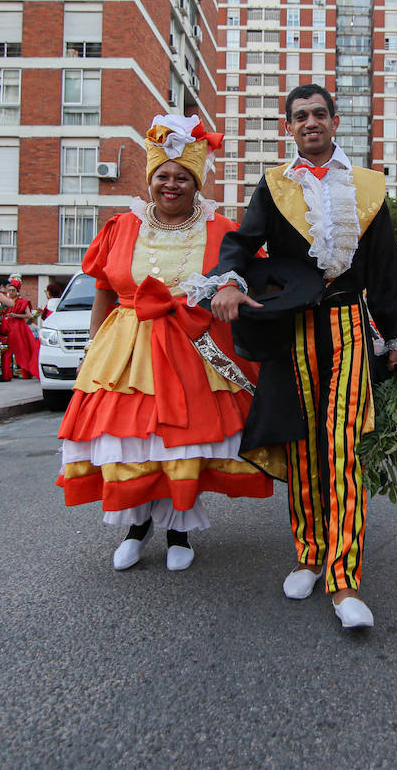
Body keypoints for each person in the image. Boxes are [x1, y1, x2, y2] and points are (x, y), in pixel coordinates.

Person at [192, 83, 397, 630]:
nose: (310, 123)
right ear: (286, 128)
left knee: (341, 446)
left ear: (336, 122)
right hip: (292, 330)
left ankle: (344, 579)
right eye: (299, 117)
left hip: (347, 329)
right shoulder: (273, 186)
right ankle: (310, 553)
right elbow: (241, 243)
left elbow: (385, 273)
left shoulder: (369, 188)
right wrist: (228, 281)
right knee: (304, 447)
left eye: (319, 114)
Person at [57, 115, 272, 572]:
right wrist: (92, 351)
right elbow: (103, 291)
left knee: (180, 443)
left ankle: (179, 530)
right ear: (150, 180)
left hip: (197, 348)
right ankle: (137, 528)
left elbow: (256, 281)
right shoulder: (120, 226)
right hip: (127, 351)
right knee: (131, 441)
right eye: (163, 176)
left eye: (182, 177)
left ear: (196, 184)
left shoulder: (222, 230)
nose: (171, 185)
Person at [0, 276, 40, 379]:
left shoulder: (23, 302)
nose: (11, 292)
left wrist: (15, 315)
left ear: (17, 291)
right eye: (9, 290)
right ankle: (7, 370)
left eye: (13, 290)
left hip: (18, 328)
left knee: (22, 350)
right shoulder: (5, 301)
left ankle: (23, 370)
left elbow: (29, 315)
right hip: (7, 327)